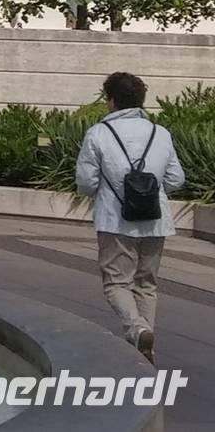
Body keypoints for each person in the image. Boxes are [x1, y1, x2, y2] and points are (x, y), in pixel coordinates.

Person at [76, 71, 186, 362]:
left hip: (115, 220)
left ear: (111, 100)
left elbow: (86, 182)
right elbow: (176, 179)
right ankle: (146, 345)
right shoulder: (159, 133)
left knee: (116, 282)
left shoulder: (98, 133)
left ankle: (137, 330)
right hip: (155, 219)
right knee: (147, 283)